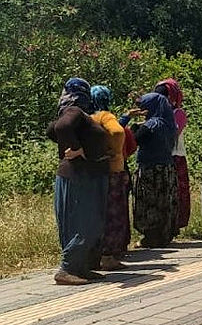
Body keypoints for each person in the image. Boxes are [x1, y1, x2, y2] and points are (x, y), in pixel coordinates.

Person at [46, 78, 108, 285]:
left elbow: (52, 130)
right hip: (81, 177)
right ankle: (67, 267)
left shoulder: (74, 114)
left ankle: (79, 267)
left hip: (79, 175)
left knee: (79, 223)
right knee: (88, 222)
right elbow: (61, 127)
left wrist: (76, 147)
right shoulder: (74, 111)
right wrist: (77, 148)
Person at [90, 85, 132, 271]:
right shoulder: (106, 116)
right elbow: (118, 132)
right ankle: (109, 257)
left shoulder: (88, 117)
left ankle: (96, 255)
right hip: (113, 171)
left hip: (94, 171)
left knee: (98, 213)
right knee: (114, 214)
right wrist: (114, 152)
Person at [129, 92, 178, 248]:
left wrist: (131, 122)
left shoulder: (151, 125)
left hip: (150, 168)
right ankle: (165, 234)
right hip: (167, 168)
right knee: (164, 201)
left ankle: (151, 236)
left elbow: (133, 139)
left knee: (149, 202)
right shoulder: (170, 124)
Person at [154, 79, 190, 233]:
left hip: (175, 156)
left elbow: (173, 135)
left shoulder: (178, 113)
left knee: (176, 193)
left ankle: (175, 224)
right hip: (162, 157)